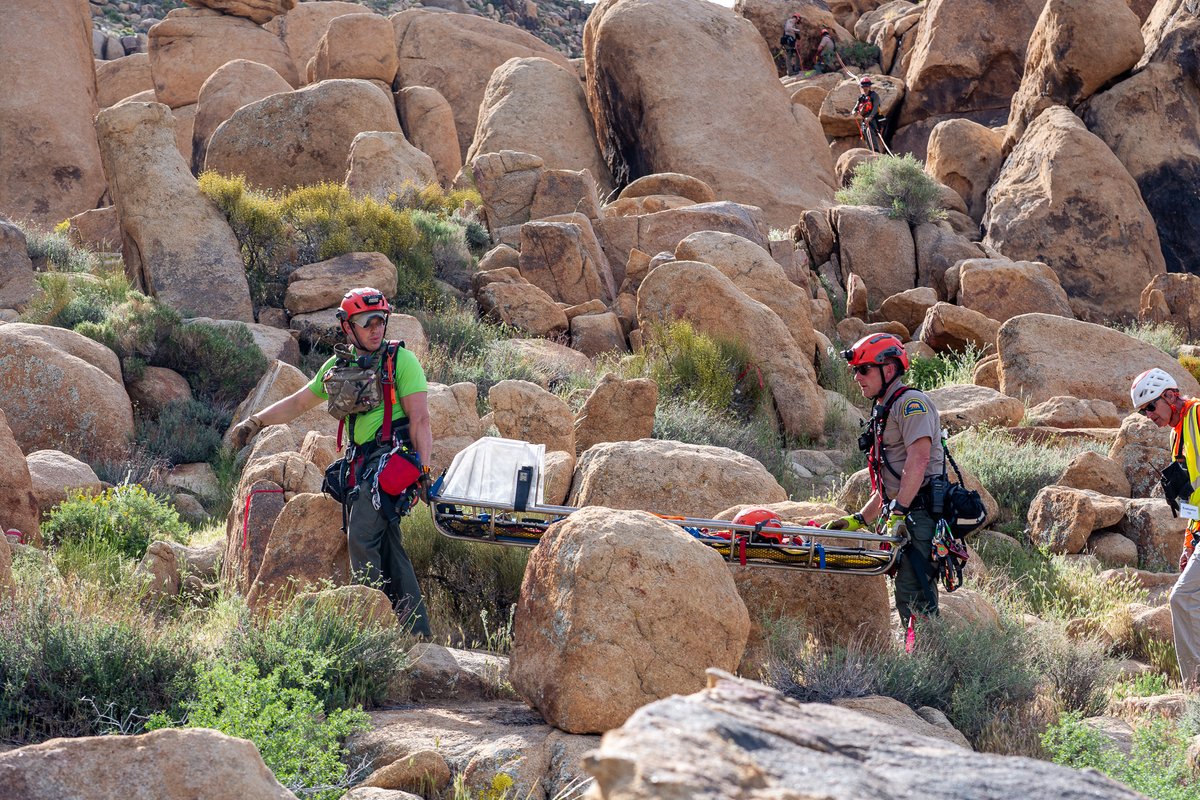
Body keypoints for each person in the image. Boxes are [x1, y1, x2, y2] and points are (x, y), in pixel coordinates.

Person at [230, 287, 434, 637]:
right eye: (366, 321)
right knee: (388, 544)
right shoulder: (338, 366)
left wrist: (423, 472)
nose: (376, 328)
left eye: (381, 320)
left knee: (362, 537)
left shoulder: (401, 362)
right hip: (360, 465)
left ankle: (371, 629)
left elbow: (420, 420)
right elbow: (297, 403)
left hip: (391, 463)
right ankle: (417, 632)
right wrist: (255, 422)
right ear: (347, 327)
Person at [823, 333, 945, 629]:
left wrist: (900, 511)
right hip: (906, 514)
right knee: (908, 594)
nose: (857, 378)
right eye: (855, 371)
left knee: (913, 597)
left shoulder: (911, 404)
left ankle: (930, 667)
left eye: (863, 370)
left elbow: (918, 461)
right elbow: (892, 479)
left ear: (888, 369)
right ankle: (925, 661)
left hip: (920, 516)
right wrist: (860, 519)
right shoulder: (883, 409)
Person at [1131, 367, 1200, 689]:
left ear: (1171, 396)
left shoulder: (1198, 414)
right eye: (1142, 411)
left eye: (1150, 406)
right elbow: (1194, 499)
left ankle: (1194, 688)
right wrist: (1190, 542)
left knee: (1182, 598)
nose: (1148, 415)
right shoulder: (1177, 435)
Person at [854, 76, 884, 153]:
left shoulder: (874, 95)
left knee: (870, 131)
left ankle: (876, 151)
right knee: (865, 133)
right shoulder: (861, 97)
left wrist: (870, 117)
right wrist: (854, 112)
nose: (865, 88)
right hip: (864, 119)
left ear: (869, 86)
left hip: (874, 118)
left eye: (867, 86)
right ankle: (871, 151)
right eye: (863, 86)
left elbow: (876, 107)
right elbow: (855, 108)